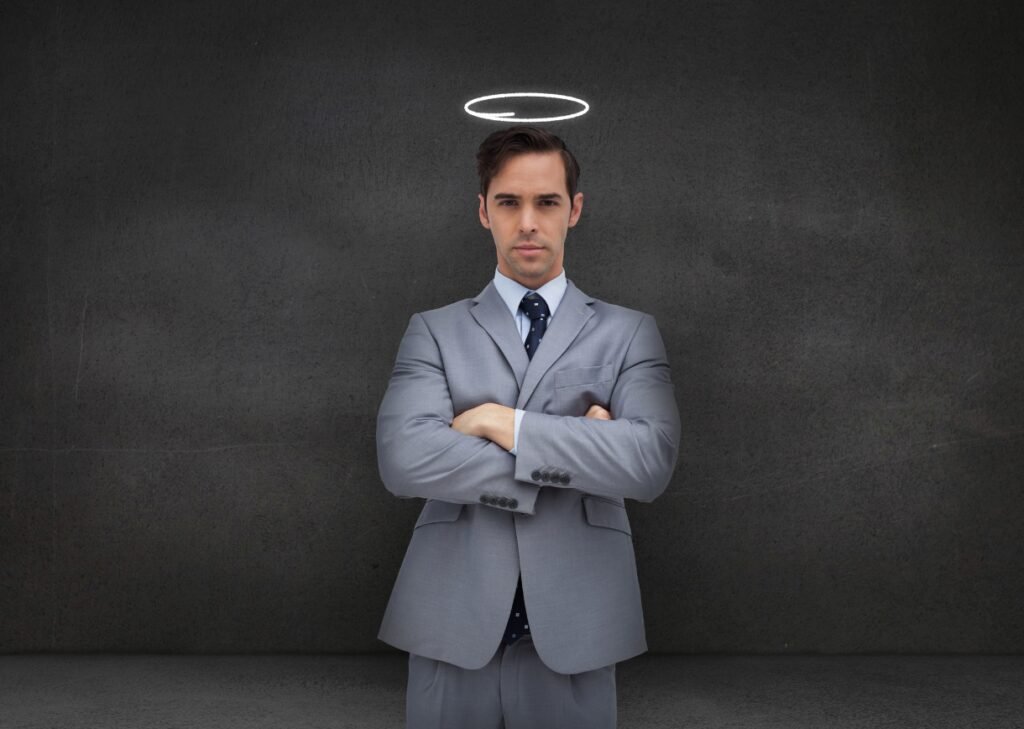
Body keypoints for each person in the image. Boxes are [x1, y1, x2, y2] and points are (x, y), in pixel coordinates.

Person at [375, 125, 681, 728]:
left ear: (576, 209)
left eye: (547, 202)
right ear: (483, 211)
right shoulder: (433, 329)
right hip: (451, 620)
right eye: (509, 202)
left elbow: (648, 462)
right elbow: (404, 458)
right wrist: (585, 448)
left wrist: (496, 421)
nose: (529, 222)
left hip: (578, 622)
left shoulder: (630, 332)